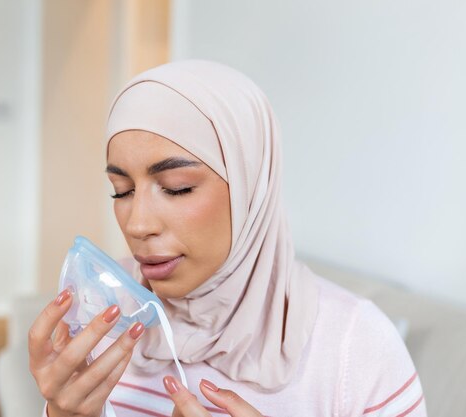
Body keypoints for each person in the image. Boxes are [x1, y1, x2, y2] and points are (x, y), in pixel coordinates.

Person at [28, 60, 427, 417]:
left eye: (177, 187)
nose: (137, 224)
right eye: (122, 190)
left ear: (250, 189)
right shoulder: (108, 318)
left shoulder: (352, 347)